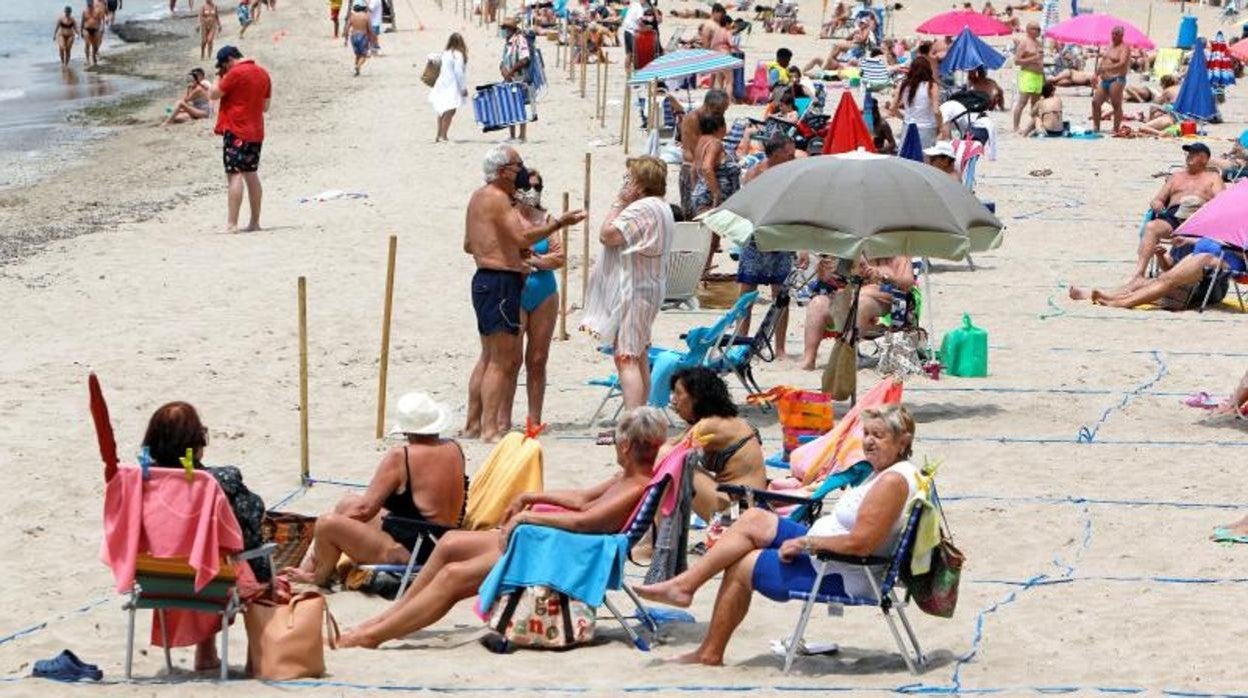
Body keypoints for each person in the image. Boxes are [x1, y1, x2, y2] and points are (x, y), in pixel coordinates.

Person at [337, 406, 669, 649]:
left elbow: (586, 521)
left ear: (625, 445)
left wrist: (528, 517)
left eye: (615, 441)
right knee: (450, 542)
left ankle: (372, 636)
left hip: (570, 551)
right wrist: (530, 495)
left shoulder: (634, 486)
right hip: (558, 539)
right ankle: (394, 615)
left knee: (453, 577)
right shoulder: (625, 478)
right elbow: (582, 499)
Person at [633, 404, 921, 666]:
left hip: (844, 572)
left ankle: (709, 650)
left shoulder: (892, 482)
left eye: (878, 435)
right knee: (755, 518)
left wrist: (807, 542)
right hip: (831, 556)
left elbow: (861, 543)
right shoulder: (887, 471)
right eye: (867, 433)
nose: (868, 442)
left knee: (744, 563)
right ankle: (686, 586)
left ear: (902, 441)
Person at [463, 146, 585, 442]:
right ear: (504, 170)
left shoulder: (479, 197)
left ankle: (473, 424)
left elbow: (469, 243)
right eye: (518, 165)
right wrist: (559, 223)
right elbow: (520, 236)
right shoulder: (497, 197)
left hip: (486, 279)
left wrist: (502, 249)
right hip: (501, 281)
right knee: (502, 360)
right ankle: (490, 429)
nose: (522, 170)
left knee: (489, 355)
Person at [282, 392, 466, 587]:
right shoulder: (454, 448)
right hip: (440, 540)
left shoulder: (401, 456)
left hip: (413, 551)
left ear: (406, 431)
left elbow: (365, 510)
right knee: (348, 502)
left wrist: (322, 536)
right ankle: (307, 567)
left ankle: (317, 577)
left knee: (327, 523)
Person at [140, 401, 268, 671]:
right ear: (196, 443)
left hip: (159, 582)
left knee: (201, 547)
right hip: (210, 583)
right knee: (251, 560)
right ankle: (256, 658)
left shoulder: (138, 482)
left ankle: (207, 653)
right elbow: (252, 519)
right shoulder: (216, 482)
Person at [580, 156, 675, 408]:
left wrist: (619, 202)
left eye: (629, 179)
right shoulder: (661, 207)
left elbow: (607, 235)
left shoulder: (642, 208)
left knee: (626, 357)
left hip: (636, 289)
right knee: (638, 351)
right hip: (649, 286)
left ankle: (634, 421)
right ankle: (640, 415)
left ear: (640, 183)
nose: (625, 183)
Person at [666, 367, 766, 521]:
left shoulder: (710, 425)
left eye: (679, 393)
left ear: (697, 397)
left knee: (676, 466)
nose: (673, 400)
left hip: (740, 513)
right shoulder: (721, 420)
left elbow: (668, 452)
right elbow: (673, 443)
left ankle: (651, 534)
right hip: (749, 504)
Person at [1068, 234, 1246, 310]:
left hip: (1216, 269)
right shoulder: (1232, 229)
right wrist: (1189, 240)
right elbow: (1216, 241)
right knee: (1162, 279)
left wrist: (1236, 247)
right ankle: (1098, 295)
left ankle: (1120, 302)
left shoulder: (1240, 236)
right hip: (1202, 257)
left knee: (1166, 282)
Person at [800, 254, 916, 369]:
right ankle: (809, 359)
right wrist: (826, 269)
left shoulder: (899, 255)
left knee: (861, 302)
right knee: (817, 303)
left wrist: (883, 276)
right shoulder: (856, 249)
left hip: (882, 301)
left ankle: (847, 358)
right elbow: (826, 279)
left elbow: (907, 282)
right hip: (847, 298)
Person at [515, 170, 565, 425]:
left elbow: (559, 257)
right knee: (511, 359)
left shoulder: (547, 220)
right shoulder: (508, 218)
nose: (533, 192)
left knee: (537, 358)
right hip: (515, 290)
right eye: (528, 186)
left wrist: (534, 259)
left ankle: (534, 418)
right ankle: (502, 417)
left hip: (543, 291)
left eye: (538, 187)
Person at [1133, 143, 1225, 278]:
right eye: (1188, 153)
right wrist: (1157, 204)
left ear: (1205, 159)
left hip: (1198, 217)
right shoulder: (1176, 177)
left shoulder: (1213, 177)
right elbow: (1157, 199)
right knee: (1151, 227)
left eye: (1194, 153)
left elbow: (1221, 201)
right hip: (1173, 215)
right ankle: (1139, 273)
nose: (1189, 156)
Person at [210, 46, 271, 233]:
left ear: (229, 60)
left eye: (223, 66)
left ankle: (232, 223)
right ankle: (255, 222)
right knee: (251, 174)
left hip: (236, 129)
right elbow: (265, 107)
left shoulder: (234, 73)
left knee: (235, 174)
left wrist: (218, 77)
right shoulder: (263, 73)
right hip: (255, 130)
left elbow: (212, 94)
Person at [679, 90, 729, 218]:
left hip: (706, 169)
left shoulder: (714, 117)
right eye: (719, 110)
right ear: (708, 106)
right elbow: (697, 151)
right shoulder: (693, 119)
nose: (722, 114)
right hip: (693, 169)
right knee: (694, 217)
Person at [690, 113, 740, 216]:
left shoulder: (701, 142)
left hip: (701, 194)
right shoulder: (715, 143)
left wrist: (696, 189)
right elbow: (707, 168)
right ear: (721, 126)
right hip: (710, 198)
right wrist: (716, 194)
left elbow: (693, 169)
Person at [889, 57, 940, 148]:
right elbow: (936, 111)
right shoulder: (931, 85)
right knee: (924, 160)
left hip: (908, 126)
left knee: (907, 159)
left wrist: (904, 117)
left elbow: (892, 108)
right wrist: (941, 126)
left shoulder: (904, 84)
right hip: (927, 127)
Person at [430, 33, 468, 143]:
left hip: (441, 83)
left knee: (442, 109)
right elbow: (458, 72)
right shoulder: (458, 55)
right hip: (452, 84)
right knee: (450, 110)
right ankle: (443, 135)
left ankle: (439, 134)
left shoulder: (445, 54)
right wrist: (463, 88)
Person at [1091, 26, 1129, 134]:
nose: (1114, 36)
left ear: (1122, 35)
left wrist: (1108, 68)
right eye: (1112, 33)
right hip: (1104, 79)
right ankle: (1096, 127)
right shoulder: (1109, 46)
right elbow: (1103, 62)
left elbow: (1122, 63)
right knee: (1095, 102)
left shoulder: (1124, 48)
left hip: (1117, 79)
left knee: (1116, 104)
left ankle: (1116, 128)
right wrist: (1096, 74)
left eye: (1116, 34)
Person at [500, 19, 532, 143]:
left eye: (504, 28)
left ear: (510, 29)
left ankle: (522, 136)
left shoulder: (520, 40)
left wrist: (511, 72)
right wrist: (504, 72)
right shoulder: (507, 43)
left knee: (521, 106)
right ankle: (512, 135)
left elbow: (525, 59)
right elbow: (503, 61)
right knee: (510, 106)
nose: (503, 31)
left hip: (520, 78)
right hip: (509, 79)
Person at [1012, 22, 1044, 133]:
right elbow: (1016, 61)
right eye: (1036, 29)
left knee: (1035, 104)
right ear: (1029, 30)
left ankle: (1033, 126)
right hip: (1027, 74)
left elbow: (1041, 60)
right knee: (1022, 102)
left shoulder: (1039, 43)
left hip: (1038, 75)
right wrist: (1034, 59)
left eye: (1039, 29)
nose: (1039, 31)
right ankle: (1016, 127)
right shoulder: (1024, 43)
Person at [345, 3, 375, 76]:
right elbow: (370, 30)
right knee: (364, 55)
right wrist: (372, 40)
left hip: (354, 35)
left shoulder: (352, 17)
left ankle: (357, 71)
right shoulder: (366, 17)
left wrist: (345, 39)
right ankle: (358, 66)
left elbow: (346, 28)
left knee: (357, 54)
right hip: (363, 35)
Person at [81, 0, 103, 67]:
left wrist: (100, 29)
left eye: (90, 4)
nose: (89, 6)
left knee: (95, 46)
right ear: (87, 4)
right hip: (86, 29)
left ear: (93, 3)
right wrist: (81, 31)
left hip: (95, 30)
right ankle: (87, 60)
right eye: (88, 4)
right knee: (87, 44)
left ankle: (93, 57)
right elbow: (82, 22)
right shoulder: (84, 11)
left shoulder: (97, 11)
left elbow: (100, 21)